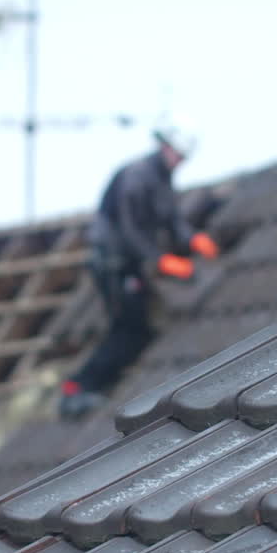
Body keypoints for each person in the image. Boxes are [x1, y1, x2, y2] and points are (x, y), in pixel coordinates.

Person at [58, 120, 220, 420]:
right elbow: (129, 229)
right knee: (127, 327)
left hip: (129, 264)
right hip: (113, 263)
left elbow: (171, 219)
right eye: (177, 154)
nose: (179, 161)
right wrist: (159, 259)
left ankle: (94, 384)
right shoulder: (136, 176)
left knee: (138, 327)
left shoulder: (162, 179)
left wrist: (191, 238)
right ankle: (78, 388)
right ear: (165, 147)